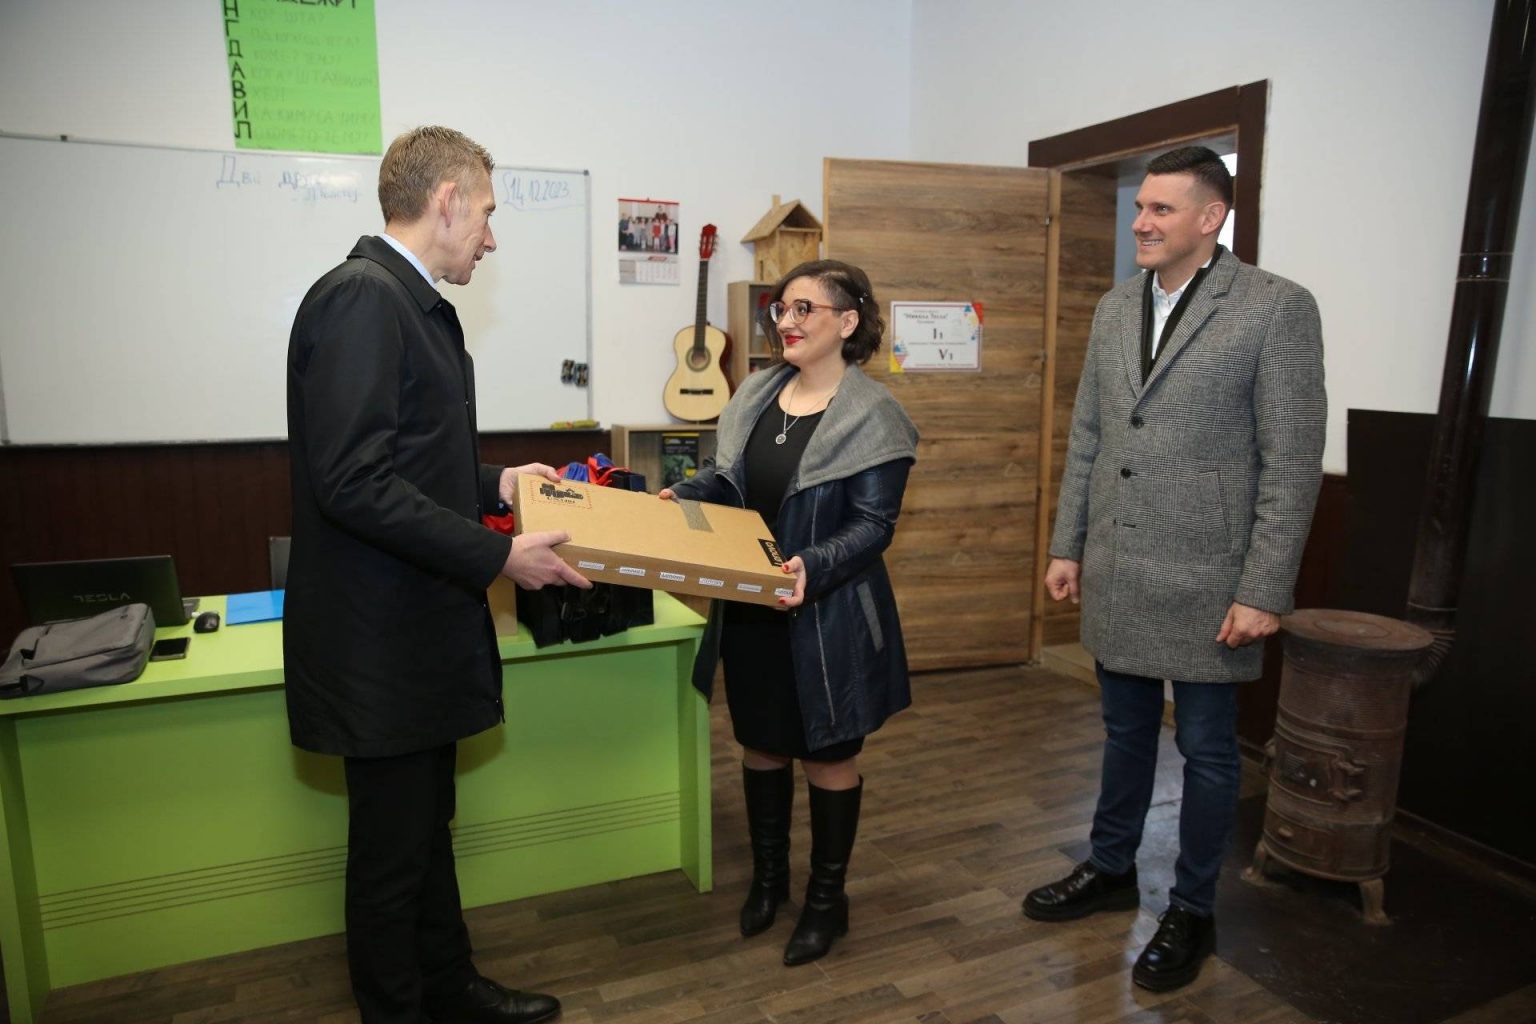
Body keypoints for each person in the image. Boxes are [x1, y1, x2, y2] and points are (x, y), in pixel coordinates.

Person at [285, 125, 589, 1024]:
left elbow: (406, 458)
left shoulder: (402, 300)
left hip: (413, 633)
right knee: (391, 857)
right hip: (380, 645)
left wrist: (497, 483)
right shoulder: (363, 298)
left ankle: (450, 986)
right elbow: (353, 482)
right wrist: (499, 554)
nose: (491, 238)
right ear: (446, 200)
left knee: (425, 833)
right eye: (486, 213)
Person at [1024, 146, 1325, 993]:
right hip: (1119, 564)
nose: (1142, 222)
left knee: (1207, 751)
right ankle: (1110, 867)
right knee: (1123, 732)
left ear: (1211, 216)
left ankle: (1192, 908)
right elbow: (1091, 434)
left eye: (1161, 208)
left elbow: (1292, 462)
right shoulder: (1116, 306)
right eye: (1140, 207)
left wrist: (1264, 590)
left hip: (1211, 581)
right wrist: (1068, 544)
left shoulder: (1275, 307)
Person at [661, 260, 918, 966]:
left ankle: (827, 901)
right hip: (752, 606)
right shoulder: (756, 393)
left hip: (828, 616)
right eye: (781, 309)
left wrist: (813, 563)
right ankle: (769, 881)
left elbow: (873, 525)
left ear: (848, 321)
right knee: (762, 743)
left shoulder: (874, 415)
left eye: (806, 308)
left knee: (829, 757)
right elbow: (731, 483)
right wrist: (685, 495)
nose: (787, 321)